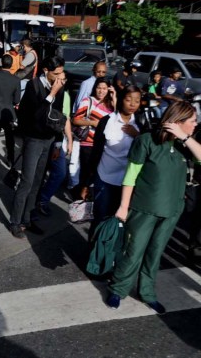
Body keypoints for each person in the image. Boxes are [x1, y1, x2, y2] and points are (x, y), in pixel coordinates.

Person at [106, 101, 201, 313]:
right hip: (143, 209)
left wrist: (185, 138)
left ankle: (147, 292)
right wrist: (123, 207)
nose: (196, 124)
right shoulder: (146, 141)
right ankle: (118, 289)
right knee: (133, 252)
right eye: (193, 121)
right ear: (178, 121)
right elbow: (130, 176)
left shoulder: (186, 146)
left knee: (155, 254)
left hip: (171, 211)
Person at [10, 56, 67, 239]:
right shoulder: (33, 87)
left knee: (38, 181)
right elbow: (36, 116)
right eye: (56, 73)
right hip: (33, 139)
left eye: (61, 73)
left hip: (49, 140)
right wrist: (51, 95)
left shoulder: (59, 87)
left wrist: (58, 141)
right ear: (46, 71)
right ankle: (15, 221)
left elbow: (58, 117)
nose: (60, 77)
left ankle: (27, 218)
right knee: (27, 181)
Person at [81, 86, 142, 236]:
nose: (133, 104)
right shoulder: (107, 121)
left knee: (120, 221)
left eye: (137, 101)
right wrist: (87, 183)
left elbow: (148, 151)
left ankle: (111, 255)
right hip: (105, 177)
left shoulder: (141, 123)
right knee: (101, 219)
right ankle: (94, 254)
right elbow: (96, 153)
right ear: (121, 100)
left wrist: (138, 136)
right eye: (129, 100)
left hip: (128, 182)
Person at [71, 78, 117, 192]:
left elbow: (117, 118)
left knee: (95, 174)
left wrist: (114, 97)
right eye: (99, 88)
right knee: (86, 173)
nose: (101, 91)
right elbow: (76, 120)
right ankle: (80, 200)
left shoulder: (110, 105)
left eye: (104, 89)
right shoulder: (88, 101)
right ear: (94, 88)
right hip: (87, 143)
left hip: (103, 145)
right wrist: (93, 123)